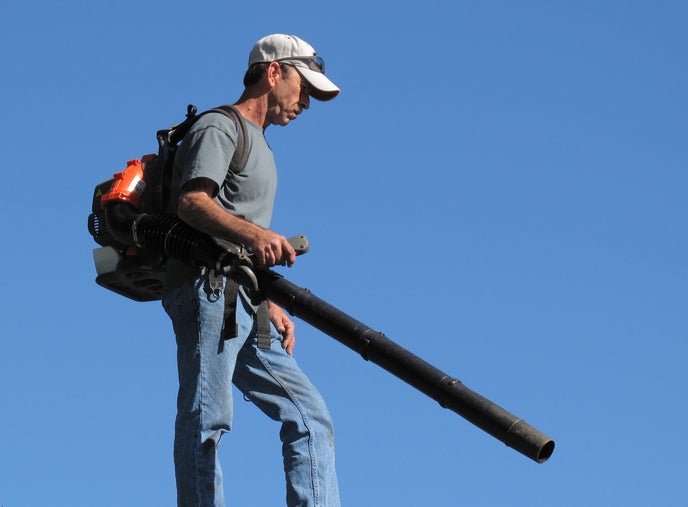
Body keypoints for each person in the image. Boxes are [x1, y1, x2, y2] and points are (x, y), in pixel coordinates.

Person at [161, 34, 341, 507]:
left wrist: (269, 300)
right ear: (274, 71)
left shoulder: (264, 149)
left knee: (309, 416)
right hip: (208, 290)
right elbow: (190, 202)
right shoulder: (221, 127)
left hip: (244, 301)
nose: (306, 102)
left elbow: (238, 238)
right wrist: (256, 236)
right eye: (304, 87)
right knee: (207, 417)